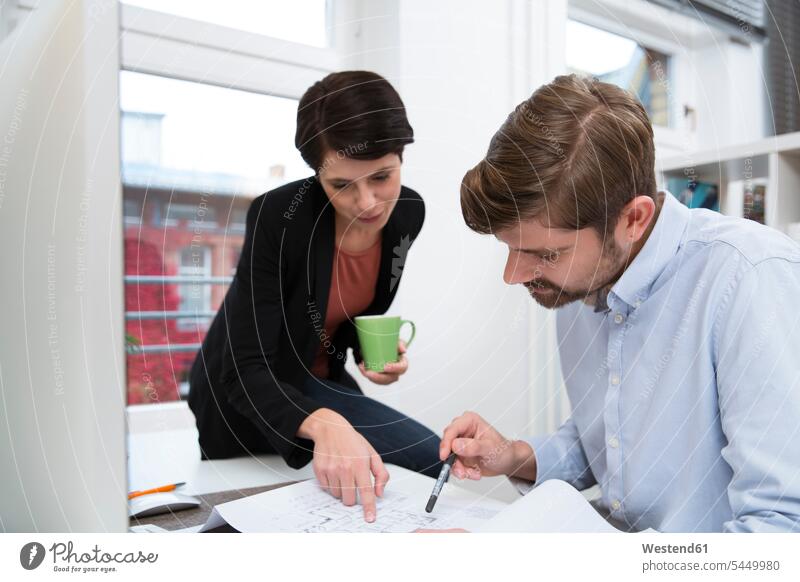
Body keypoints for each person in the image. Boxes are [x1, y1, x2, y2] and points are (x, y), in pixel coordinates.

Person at [440, 74, 800, 532]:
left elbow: (783, 531)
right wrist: (514, 456)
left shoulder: (750, 278)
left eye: (543, 253)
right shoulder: (579, 281)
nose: (513, 275)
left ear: (633, 219)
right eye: (510, 248)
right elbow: (606, 441)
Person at [188, 71, 442, 523]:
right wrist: (323, 422)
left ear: (402, 155)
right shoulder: (277, 219)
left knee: (414, 470)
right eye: (342, 185)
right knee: (424, 458)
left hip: (317, 377)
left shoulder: (408, 213)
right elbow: (245, 368)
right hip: (248, 392)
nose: (367, 202)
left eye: (382, 177)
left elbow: (342, 317)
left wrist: (368, 350)